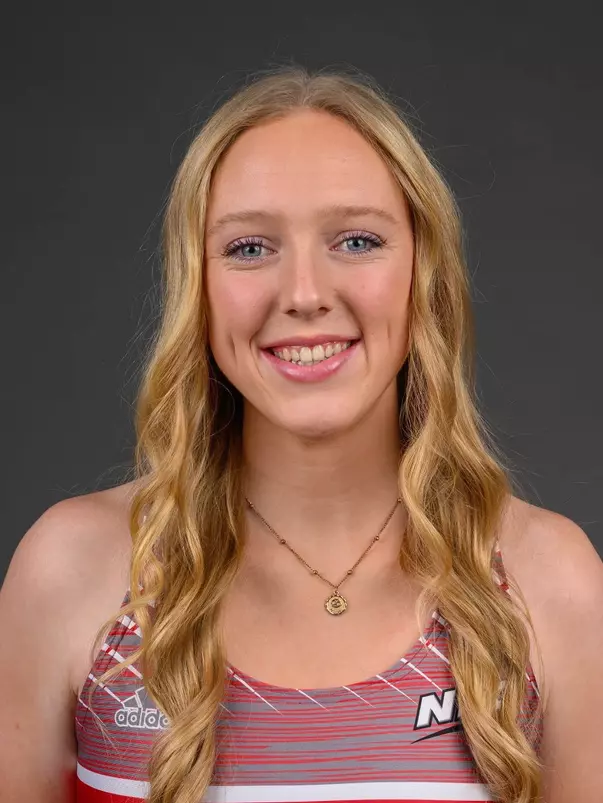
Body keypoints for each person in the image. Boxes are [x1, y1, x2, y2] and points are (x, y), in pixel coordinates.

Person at [1, 66, 602, 803]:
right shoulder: (74, 571)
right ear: (198, 286)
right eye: (250, 248)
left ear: (424, 273)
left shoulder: (547, 582)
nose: (306, 294)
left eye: (355, 239)